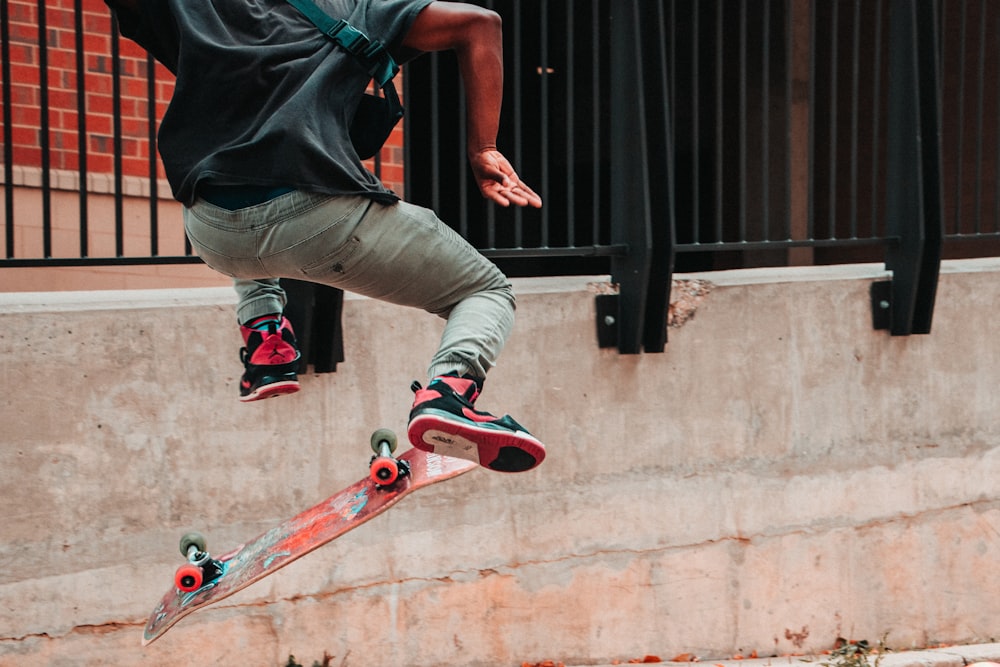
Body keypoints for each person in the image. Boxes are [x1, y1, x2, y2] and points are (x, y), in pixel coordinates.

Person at [103, 0, 546, 472]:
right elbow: (481, 23)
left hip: (212, 231)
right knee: (485, 290)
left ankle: (265, 338)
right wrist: (483, 147)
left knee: (241, 184)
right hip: (320, 219)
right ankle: (449, 392)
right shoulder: (351, 8)